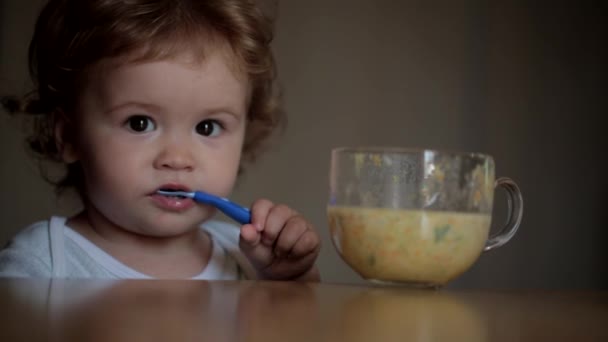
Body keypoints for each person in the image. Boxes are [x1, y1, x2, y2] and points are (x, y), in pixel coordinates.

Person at [0, 0, 321, 281]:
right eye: (140, 123)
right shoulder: (41, 265)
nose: (178, 158)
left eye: (207, 127)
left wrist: (290, 280)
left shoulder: (248, 260)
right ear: (69, 135)